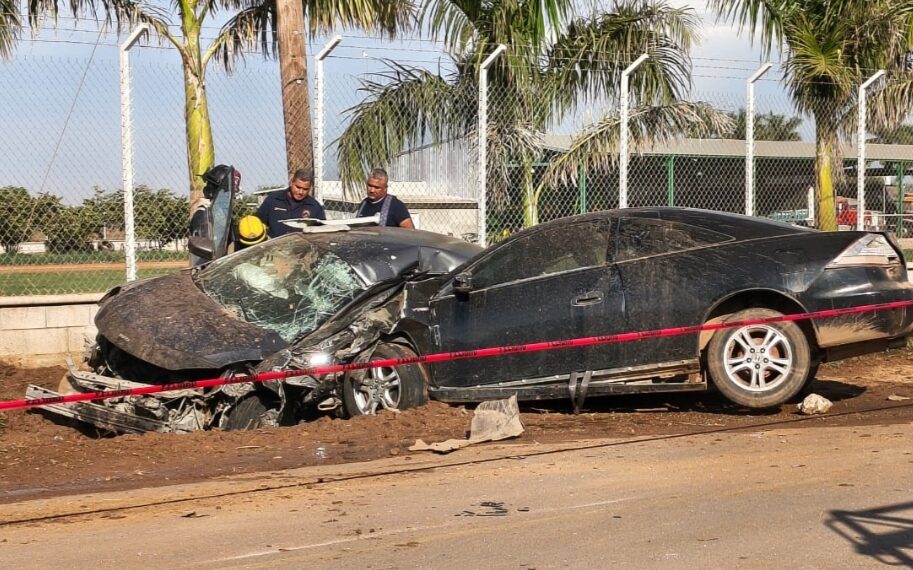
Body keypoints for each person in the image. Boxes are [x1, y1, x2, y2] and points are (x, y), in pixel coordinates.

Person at [256, 169, 326, 238]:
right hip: (274, 246)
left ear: (310, 188)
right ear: (291, 182)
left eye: (305, 189)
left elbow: (323, 234)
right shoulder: (273, 200)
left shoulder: (315, 207)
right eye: (298, 187)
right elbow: (257, 223)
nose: (300, 192)